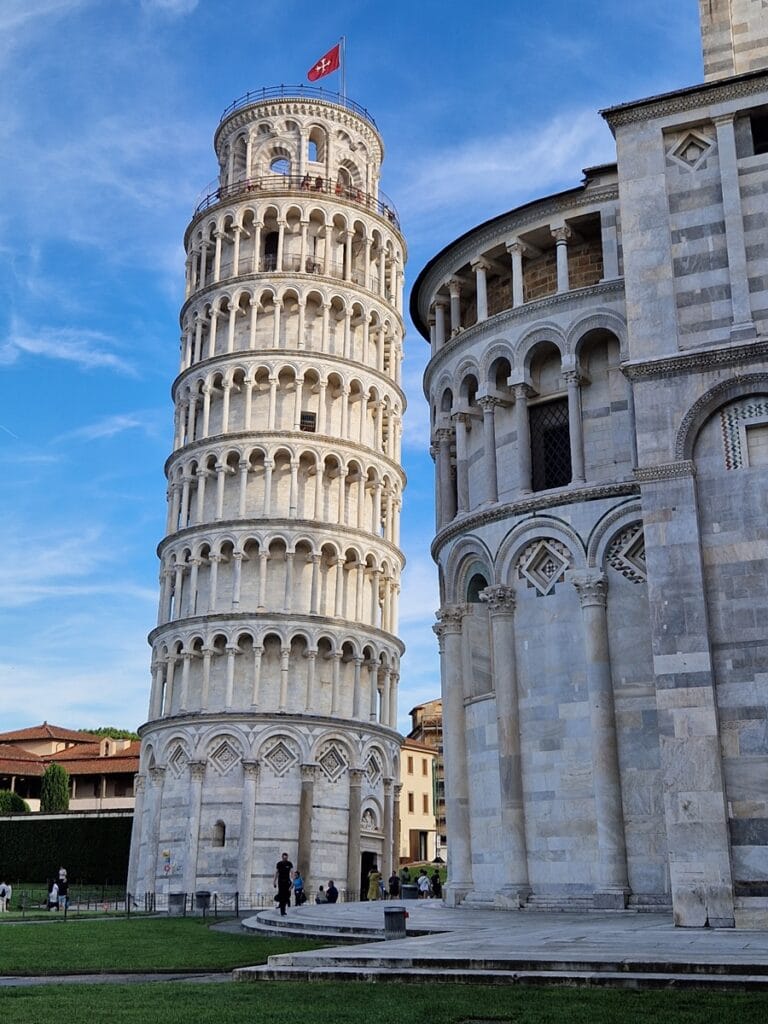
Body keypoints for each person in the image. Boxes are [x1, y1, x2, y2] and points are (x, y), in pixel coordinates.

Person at [273, 852, 293, 917]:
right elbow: (277, 873)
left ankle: (284, 908)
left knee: (287, 895)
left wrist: (293, 881)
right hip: (281, 882)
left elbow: (292, 872)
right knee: (282, 896)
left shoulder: (289, 864)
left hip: (287, 881)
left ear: (287, 857)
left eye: (286, 858)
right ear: (282, 857)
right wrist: (274, 882)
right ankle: (282, 911)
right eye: (284, 858)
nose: (285, 859)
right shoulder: (279, 864)